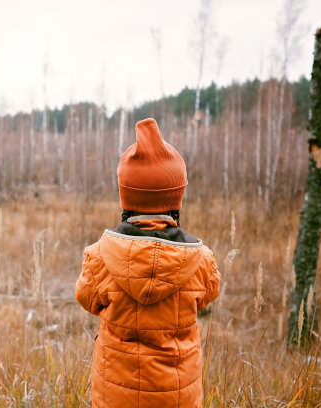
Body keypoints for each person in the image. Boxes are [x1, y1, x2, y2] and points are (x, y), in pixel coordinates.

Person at [76, 118, 221, 407]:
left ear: (125, 196)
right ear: (177, 197)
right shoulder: (201, 259)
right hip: (179, 396)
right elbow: (207, 296)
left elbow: (87, 299)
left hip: (116, 396)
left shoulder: (99, 257)